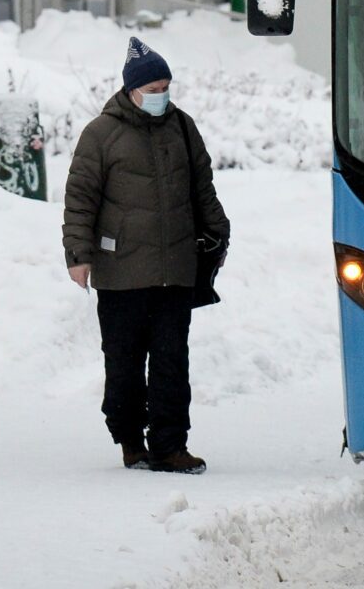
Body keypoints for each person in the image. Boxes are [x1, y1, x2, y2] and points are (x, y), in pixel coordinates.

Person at [62, 37, 229, 474]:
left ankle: (170, 446)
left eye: (165, 86)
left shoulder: (183, 127)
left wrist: (218, 232)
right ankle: (130, 439)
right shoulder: (100, 134)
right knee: (124, 362)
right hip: (121, 272)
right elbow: (80, 198)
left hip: (175, 268)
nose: (161, 95)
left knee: (172, 360)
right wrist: (78, 254)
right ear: (131, 90)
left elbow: (201, 188)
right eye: (153, 88)